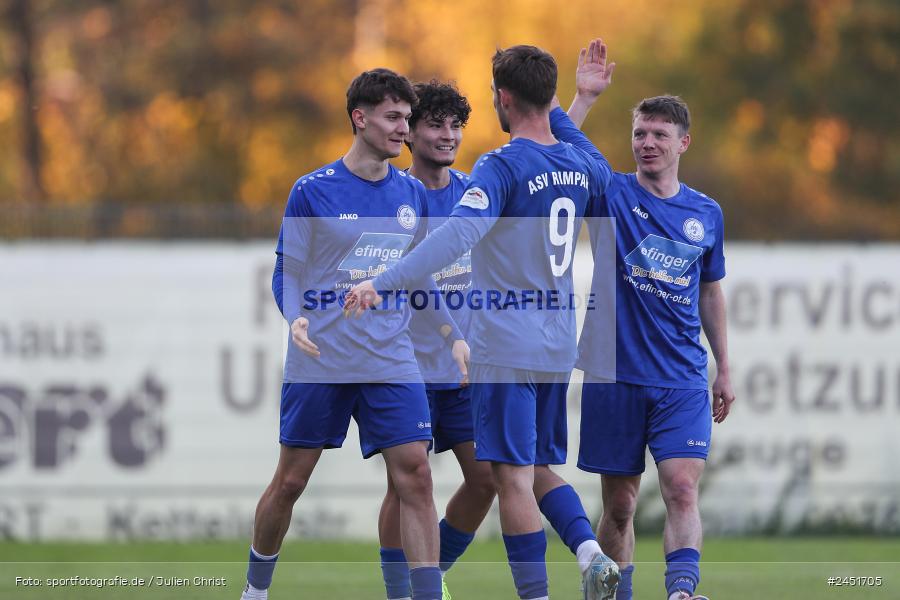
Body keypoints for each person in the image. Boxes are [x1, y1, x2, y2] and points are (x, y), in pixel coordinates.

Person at [346, 46, 620, 600]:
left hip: (499, 342)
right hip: (553, 344)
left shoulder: (498, 166)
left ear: (502, 99)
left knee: (512, 477)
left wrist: (384, 280)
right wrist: (580, 102)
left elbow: (457, 236)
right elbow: (567, 147)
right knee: (533, 466)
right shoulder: (586, 165)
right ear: (547, 95)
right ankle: (588, 552)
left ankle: (533, 594)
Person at [240, 68, 468, 600]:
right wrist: (294, 315)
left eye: (407, 120)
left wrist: (451, 333)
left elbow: (419, 275)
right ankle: (255, 590)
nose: (403, 130)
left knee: (416, 473)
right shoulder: (312, 191)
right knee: (291, 483)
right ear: (359, 118)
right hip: (322, 360)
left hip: (391, 357)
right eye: (393, 118)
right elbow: (286, 272)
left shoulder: (411, 193)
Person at [551, 38, 736, 600]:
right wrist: (583, 97)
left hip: (681, 376)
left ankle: (681, 591)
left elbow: (710, 292)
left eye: (659, 134)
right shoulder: (609, 193)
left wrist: (725, 365)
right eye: (639, 133)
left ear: (683, 142)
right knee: (621, 504)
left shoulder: (705, 213)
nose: (647, 143)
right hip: (613, 371)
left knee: (681, 487)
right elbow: (555, 142)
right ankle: (612, 592)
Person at [376, 80, 496, 600]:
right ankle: (401, 592)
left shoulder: (475, 194)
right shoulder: (396, 197)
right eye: (435, 124)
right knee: (405, 484)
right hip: (409, 365)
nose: (448, 135)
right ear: (410, 133)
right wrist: (449, 334)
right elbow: (409, 280)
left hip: (468, 369)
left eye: (456, 125)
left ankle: (431, 570)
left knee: (487, 479)